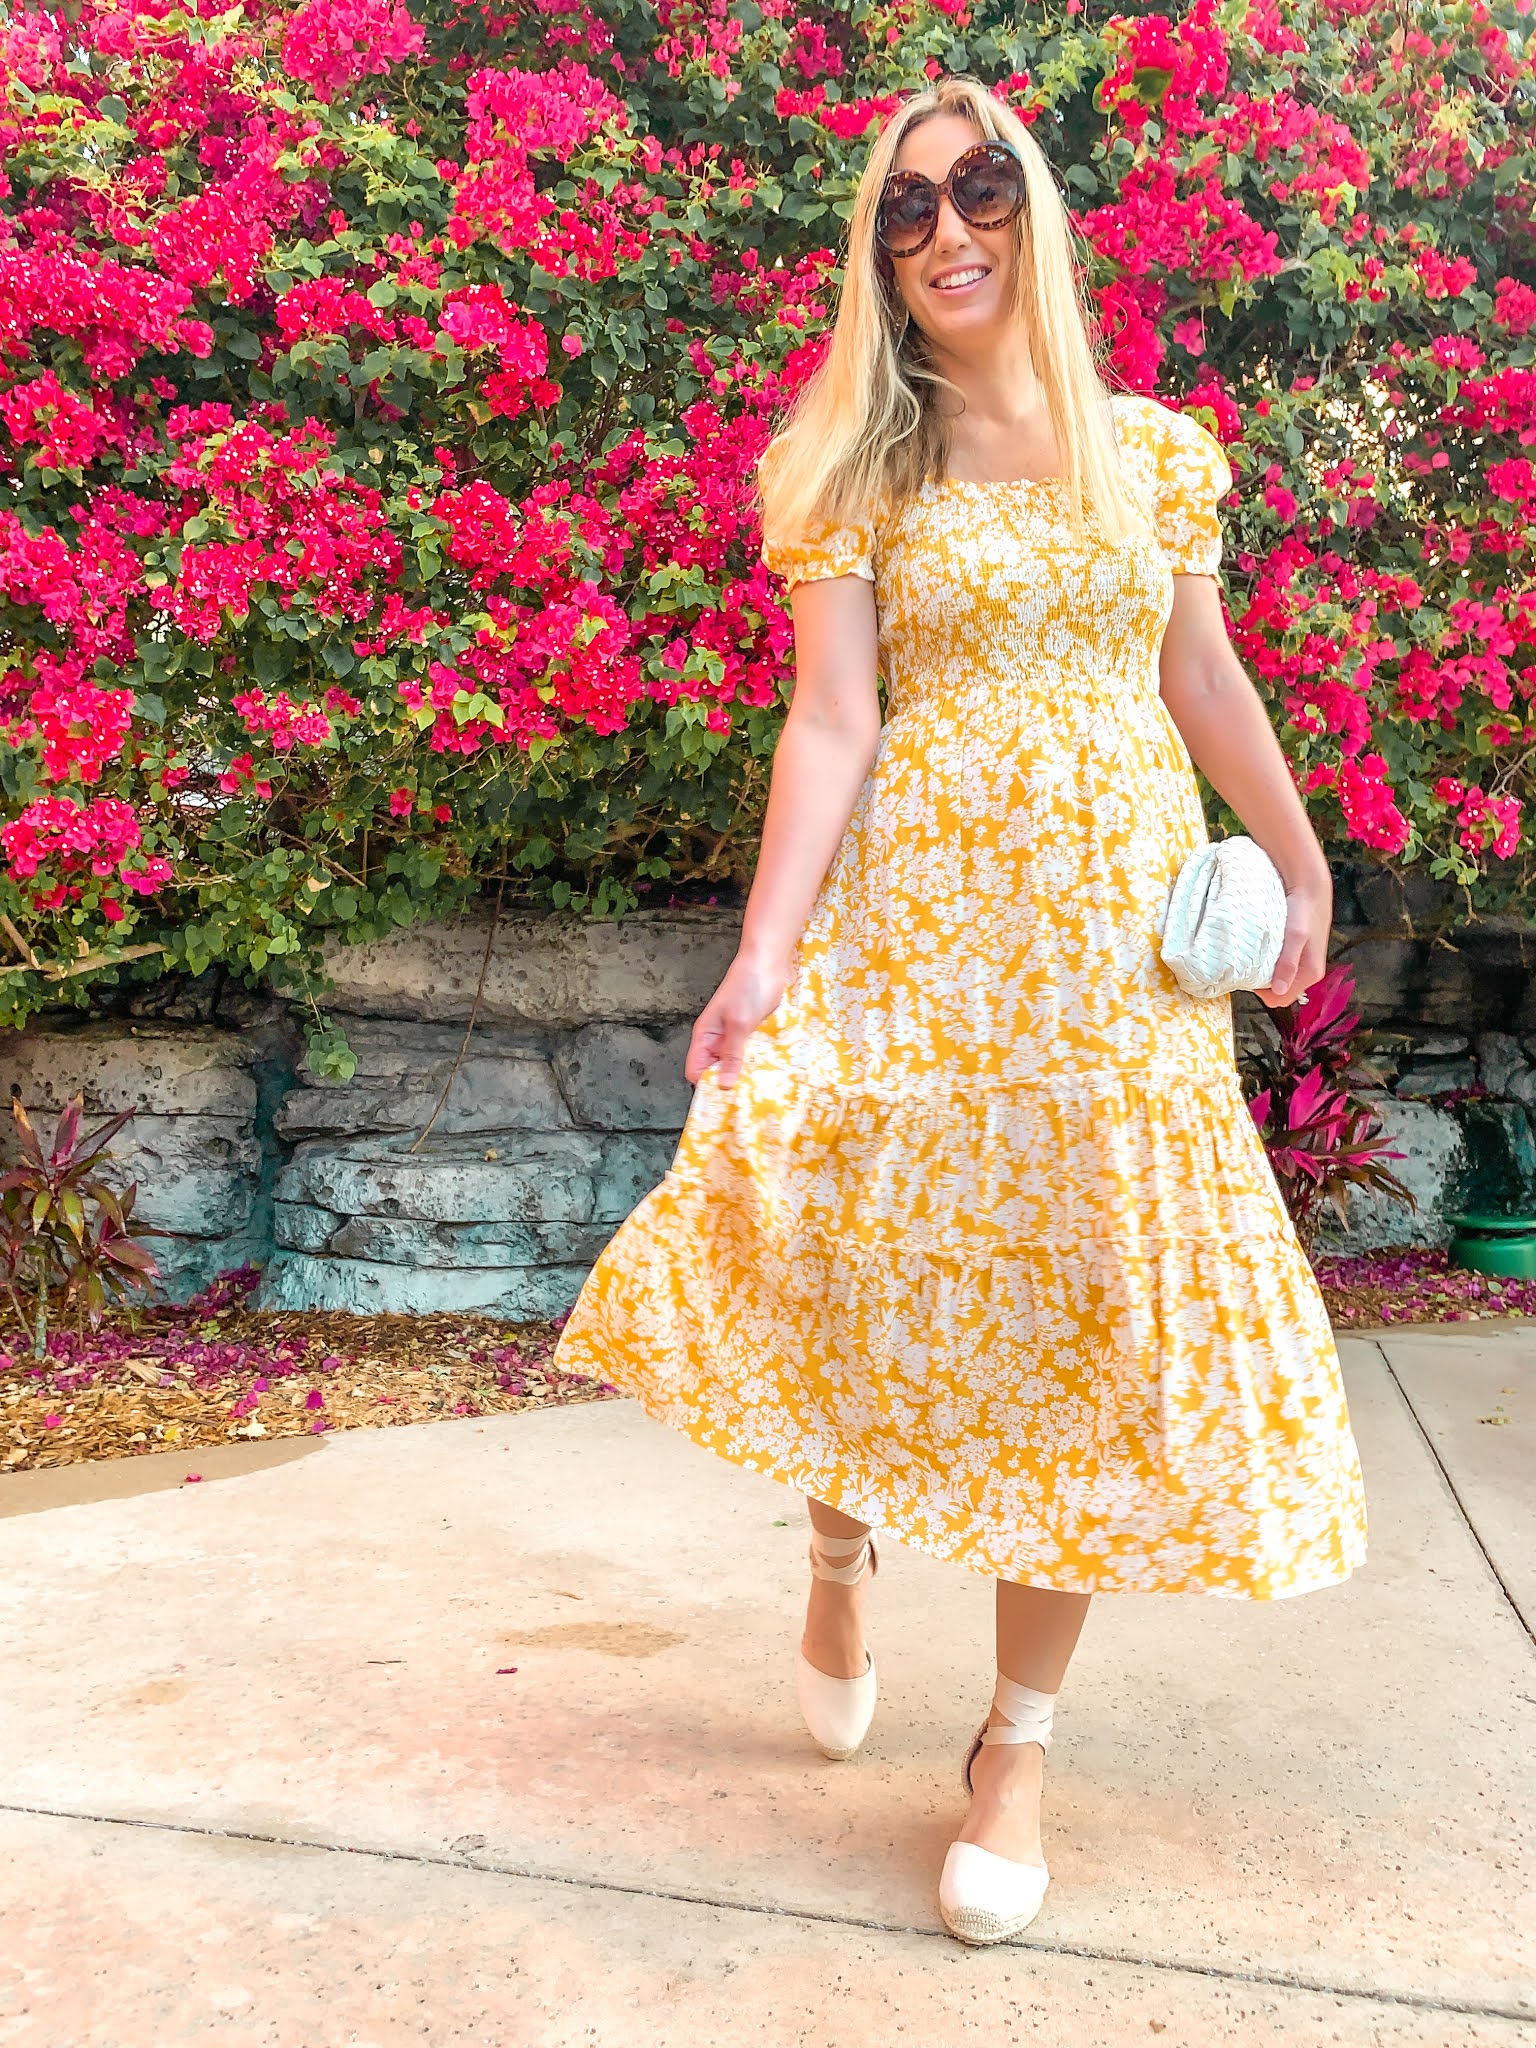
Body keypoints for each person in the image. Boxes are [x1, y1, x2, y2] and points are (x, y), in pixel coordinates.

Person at [552, 72, 1366, 1946]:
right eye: (904, 211)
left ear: (1037, 208)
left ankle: (1014, 1747)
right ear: (877, 252)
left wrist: (1303, 858)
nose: (945, 234)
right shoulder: (852, 460)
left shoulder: (1154, 454)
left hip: (1112, 965)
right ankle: (838, 1539)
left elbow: (1204, 681)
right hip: (921, 928)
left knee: (1081, 1313)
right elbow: (833, 718)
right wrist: (762, 957)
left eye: (977, 189)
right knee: (868, 1248)